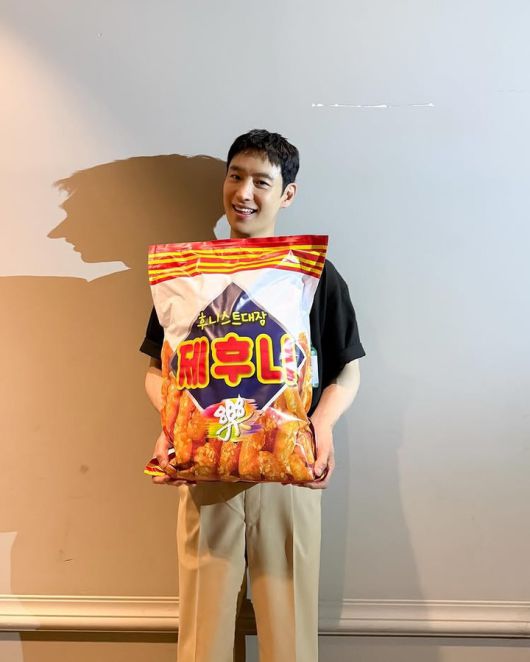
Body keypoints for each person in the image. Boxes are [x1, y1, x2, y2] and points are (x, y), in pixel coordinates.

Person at [140, 129, 365, 662]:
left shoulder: (311, 274)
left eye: (262, 182)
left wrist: (322, 425)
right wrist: (173, 423)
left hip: (288, 469)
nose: (244, 192)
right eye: (235, 176)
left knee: (291, 629)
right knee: (203, 630)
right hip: (206, 468)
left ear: (287, 194)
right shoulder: (189, 276)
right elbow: (158, 371)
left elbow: (347, 370)